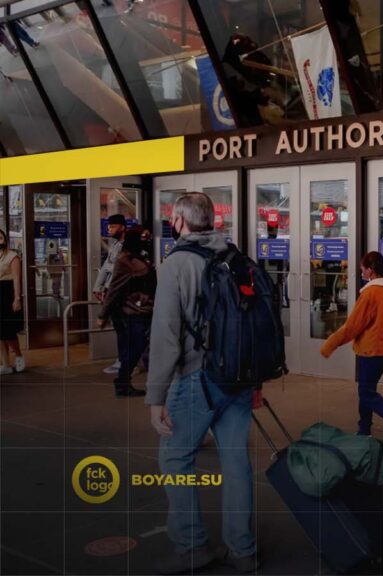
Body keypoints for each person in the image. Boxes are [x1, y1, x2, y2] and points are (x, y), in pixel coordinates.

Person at [146, 193, 256, 574]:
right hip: (238, 379)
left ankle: (193, 546)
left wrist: (156, 395)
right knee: (236, 461)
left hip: (195, 377)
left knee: (175, 458)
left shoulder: (176, 264)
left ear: (179, 221)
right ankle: (243, 550)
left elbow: (165, 334)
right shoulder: (235, 257)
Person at [320, 251, 383, 454]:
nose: (361, 271)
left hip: (370, 351)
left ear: (370, 270)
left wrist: (330, 344)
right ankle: (364, 430)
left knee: (367, 394)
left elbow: (352, 327)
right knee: (367, 391)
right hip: (382, 351)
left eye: (362, 269)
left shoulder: (370, 294)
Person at [96, 227, 154, 397]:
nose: (146, 239)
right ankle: (122, 382)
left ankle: (123, 382)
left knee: (139, 348)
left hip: (144, 310)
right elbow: (114, 289)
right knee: (135, 349)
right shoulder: (125, 260)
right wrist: (102, 315)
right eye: (143, 237)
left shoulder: (141, 256)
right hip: (132, 312)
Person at [95, 214, 127, 375]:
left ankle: (126, 362)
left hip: (121, 293)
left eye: (113, 226)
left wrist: (105, 287)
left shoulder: (127, 246)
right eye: (109, 227)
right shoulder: (115, 245)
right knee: (119, 328)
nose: (110, 229)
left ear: (122, 226)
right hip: (111, 291)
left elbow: (117, 271)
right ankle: (122, 360)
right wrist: (98, 287)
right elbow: (107, 266)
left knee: (124, 329)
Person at [0, 229, 24, 375]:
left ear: (5, 239)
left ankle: (19, 356)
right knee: (0, 333)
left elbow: (16, 278)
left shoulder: (13, 256)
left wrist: (17, 298)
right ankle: (5, 365)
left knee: (8, 332)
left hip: (7, 294)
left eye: (0, 237)